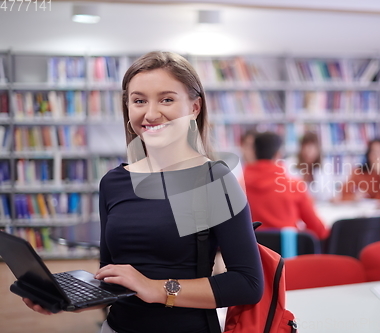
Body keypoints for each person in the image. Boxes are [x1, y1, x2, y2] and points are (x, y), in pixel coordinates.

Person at [23, 51, 264, 333]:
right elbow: (113, 277)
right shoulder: (113, 182)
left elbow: (247, 284)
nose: (150, 113)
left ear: (194, 107)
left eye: (167, 99)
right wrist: (70, 297)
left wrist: (156, 288)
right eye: (139, 101)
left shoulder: (212, 180)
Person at [243, 131, 329, 240]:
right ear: (278, 154)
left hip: (255, 254)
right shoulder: (294, 186)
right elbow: (319, 230)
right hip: (288, 252)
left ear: (254, 152)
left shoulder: (239, 187)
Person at [284, 132, 336, 202]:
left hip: (321, 207)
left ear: (318, 150)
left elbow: (329, 194)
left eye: (312, 149)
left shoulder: (326, 166)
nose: (308, 152)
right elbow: (288, 192)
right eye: (305, 148)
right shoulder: (290, 164)